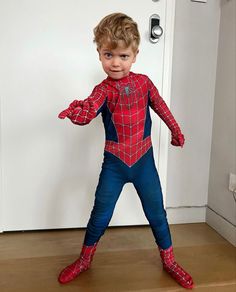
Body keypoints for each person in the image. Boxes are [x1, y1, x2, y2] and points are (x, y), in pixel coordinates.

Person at [58, 12, 194, 289]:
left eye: (123, 56)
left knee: (156, 212)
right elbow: (88, 112)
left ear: (135, 55)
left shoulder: (144, 83)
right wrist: (75, 113)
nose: (116, 63)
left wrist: (176, 130)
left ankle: (169, 261)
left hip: (143, 162)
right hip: (115, 164)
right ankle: (84, 260)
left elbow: (161, 107)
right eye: (109, 55)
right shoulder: (102, 90)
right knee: (100, 213)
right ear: (99, 54)